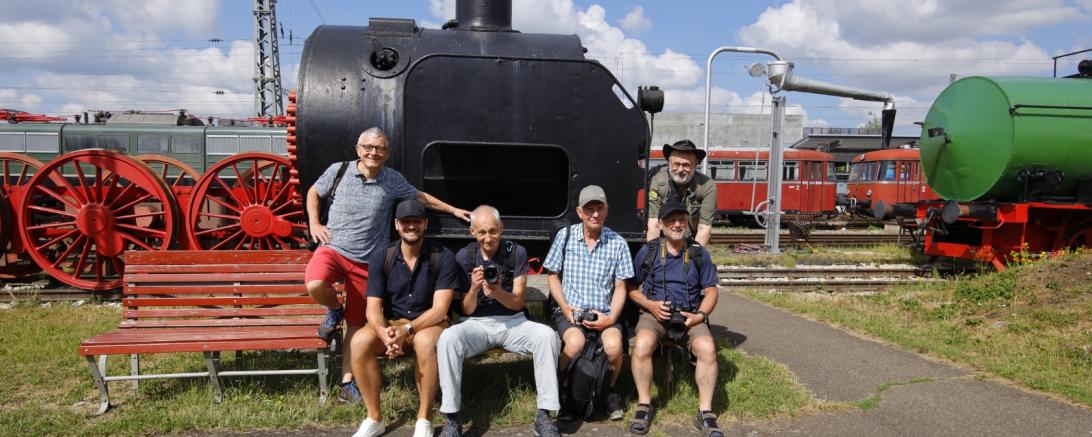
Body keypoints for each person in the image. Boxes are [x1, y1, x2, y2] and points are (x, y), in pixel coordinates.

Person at [304, 127, 470, 403]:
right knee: (315, 283)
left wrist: (452, 210)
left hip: (368, 260)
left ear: (387, 152)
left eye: (380, 148)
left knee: (357, 326)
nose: (373, 152)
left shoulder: (392, 180)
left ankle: (347, 383)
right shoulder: (339, 170)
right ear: (358, 149)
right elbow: (313, 192)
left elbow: (420, 197)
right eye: (368, 147)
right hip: (333, 249)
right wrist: (314, 223)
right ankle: (334, 310)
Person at [436, 206, 561, 437]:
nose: (488, 238)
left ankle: (544, 414)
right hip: (476, 324)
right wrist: (473, 289)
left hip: (512, 321)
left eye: (493, 231)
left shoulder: (516, 252)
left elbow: (517, 302)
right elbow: (465, 309)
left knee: (546, 336)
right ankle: (452, 417)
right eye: (481, 232)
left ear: (501, 229)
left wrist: (496, 293)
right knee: (447, 338)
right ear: (472, 231)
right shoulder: (464, 256)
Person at [349, 199, 459, 437]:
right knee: (359, 341)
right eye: (406, 222)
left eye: (416, 221)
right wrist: (384, 334)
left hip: (430, 323)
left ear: (425, 224)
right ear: (397, 225)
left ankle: (424, 418)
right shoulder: (382, 257)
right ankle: (374, 417)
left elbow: (440, 309)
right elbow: (373, 308)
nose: (411, 227)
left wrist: (406, 330)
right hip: (392, 324)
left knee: (425, 342)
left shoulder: (443, 256)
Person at [627, 200, 721, 436]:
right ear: (660, 224)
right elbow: (630, 288)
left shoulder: (698, 253)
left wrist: (699, 315)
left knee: (707, 348)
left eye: (681, 220)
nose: (677, 224)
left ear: (687, 224)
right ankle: (644, 405)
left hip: (690, 316)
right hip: (654, 315)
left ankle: (705, 412)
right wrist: (650, 304)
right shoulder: (648, 251)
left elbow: (711, 291)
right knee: (642, 344)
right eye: (671, 220)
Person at [542, 185, 634, 421]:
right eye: (589, 209)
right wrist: (565, 308)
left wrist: (611, 318)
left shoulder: (618, 243)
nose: (595, 214)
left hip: (604, 313)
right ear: (580, 212)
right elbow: (552, 275)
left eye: (599, 208)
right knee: (574, 343)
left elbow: (621, 287)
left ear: (607, 210)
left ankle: (610, 392)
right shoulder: (566, 236)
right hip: (571, 311)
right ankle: (560, 388)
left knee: (614, 347)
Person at [646, 139, 717, 246]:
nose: (680, 170)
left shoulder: (707, 186)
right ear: (669, 163)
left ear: (695, 164)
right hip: (664, 242)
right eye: (676, 164)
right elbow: (654, 223)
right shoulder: (658, 182)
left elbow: (704, 228)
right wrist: (653, 255)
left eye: (686, 165)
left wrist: (695, 257)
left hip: (692, 241)